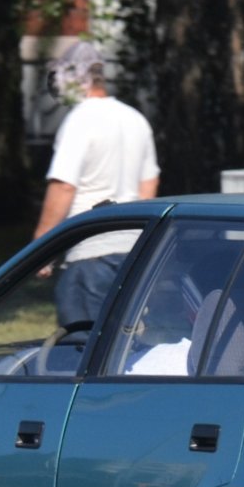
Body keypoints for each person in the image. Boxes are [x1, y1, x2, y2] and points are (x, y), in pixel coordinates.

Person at [33, 40, 160, 327]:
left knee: (81, 345)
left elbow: (63, 185)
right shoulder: (135, 119)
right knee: (123, 343)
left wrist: (42, 247)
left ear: (75, 79)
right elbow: (149, 181)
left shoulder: (79, 120)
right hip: (132, 250)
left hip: (90, 251)